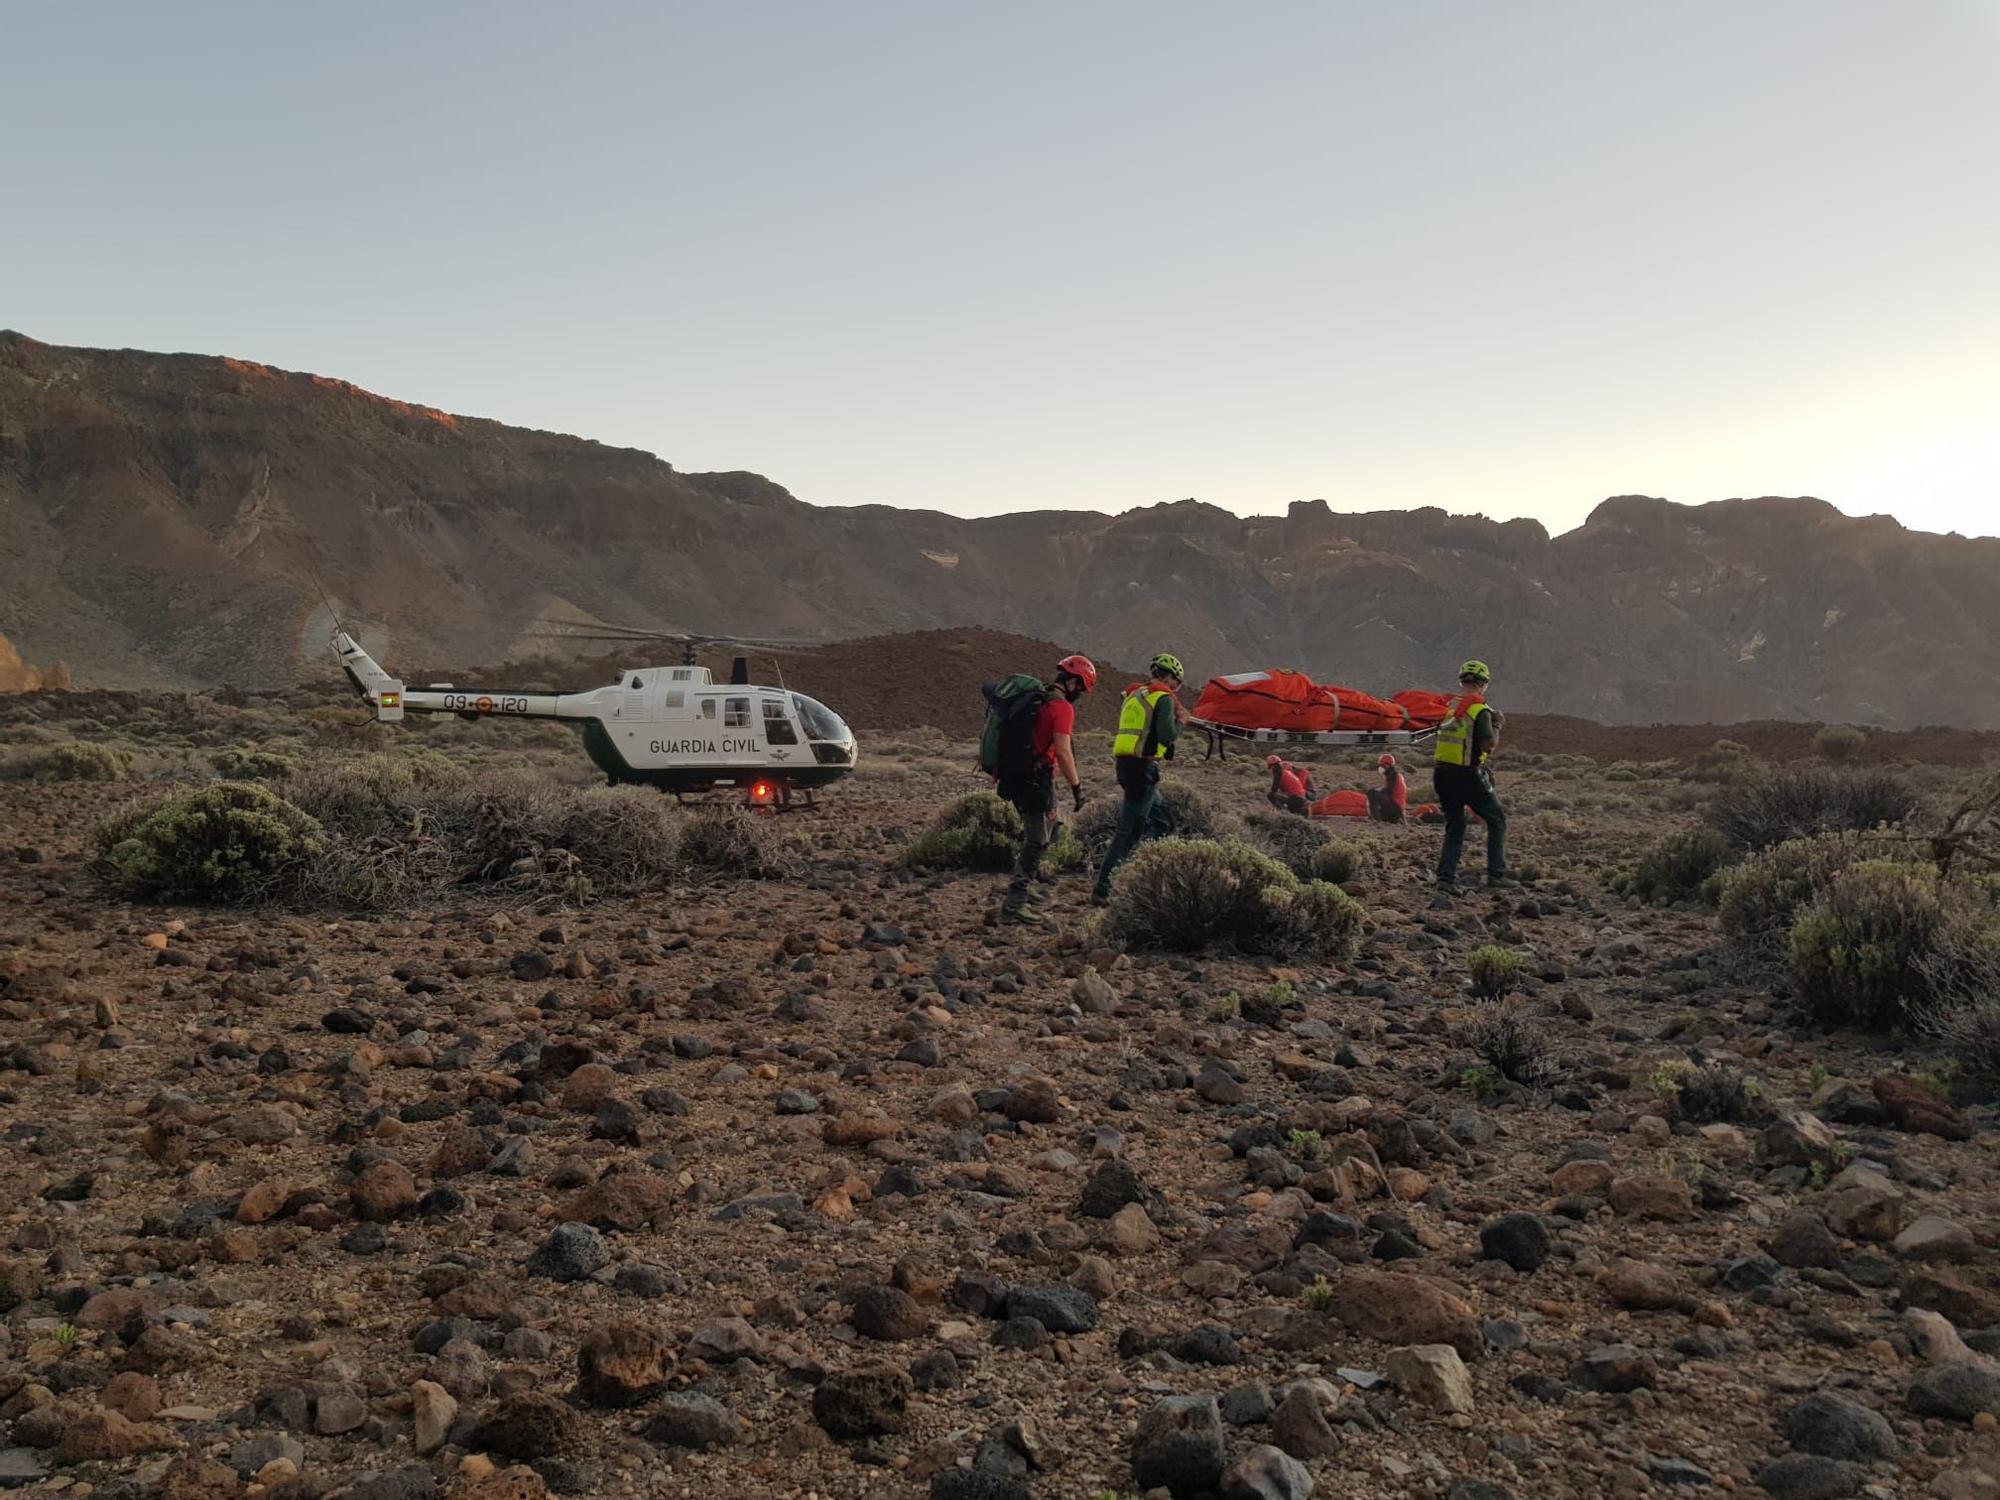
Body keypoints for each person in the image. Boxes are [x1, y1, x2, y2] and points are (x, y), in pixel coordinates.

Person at [1000, 654, 1096, 922]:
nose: (1080, 695)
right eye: (1082, 689)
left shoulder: (1039, 699)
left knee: (1051, 829)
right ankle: (1013, 904)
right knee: (1037, 840)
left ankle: (1026, 886)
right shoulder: (1062, 708)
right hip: (1033, 781)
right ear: (1074, 684)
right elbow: (1064, 752)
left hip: (1024, 776)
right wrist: (1077, 788)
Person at [1091, 652, 1183, 903]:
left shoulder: (1135, 694)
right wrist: (1180, 722)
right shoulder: (1163, 697)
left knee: (1164, 822)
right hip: (1143, 769)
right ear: (1171, 677)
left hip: (1127, 765)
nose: (1177, 687)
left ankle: (1146, 875)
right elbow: (1166, 735)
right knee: (1128, 831)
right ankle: (1104, 890)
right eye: (1177, 682)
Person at [1432, 660, 1513, 890]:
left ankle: (1445, 878)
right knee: (1496, 819)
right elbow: (1488, 745)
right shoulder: (1479, 709)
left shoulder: (1448, 708)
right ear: (1483, 684)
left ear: (1462, 681)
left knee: (1455, 825)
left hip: (1441, 774)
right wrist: (1497, 724)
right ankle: (1497, 874)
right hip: (1466, 774)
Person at [1367, 752, 1407, 823]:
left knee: (1372, 793)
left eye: (1382, 765)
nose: (1381, 767)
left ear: (1388, 765)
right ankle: (1383, 817)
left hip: (1395, 807)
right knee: (1376, 794)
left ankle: (1375, 818)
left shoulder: (1393, 776)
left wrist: (1378, 791)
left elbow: (1389, 791)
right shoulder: (1394, 775)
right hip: (1397, 809)